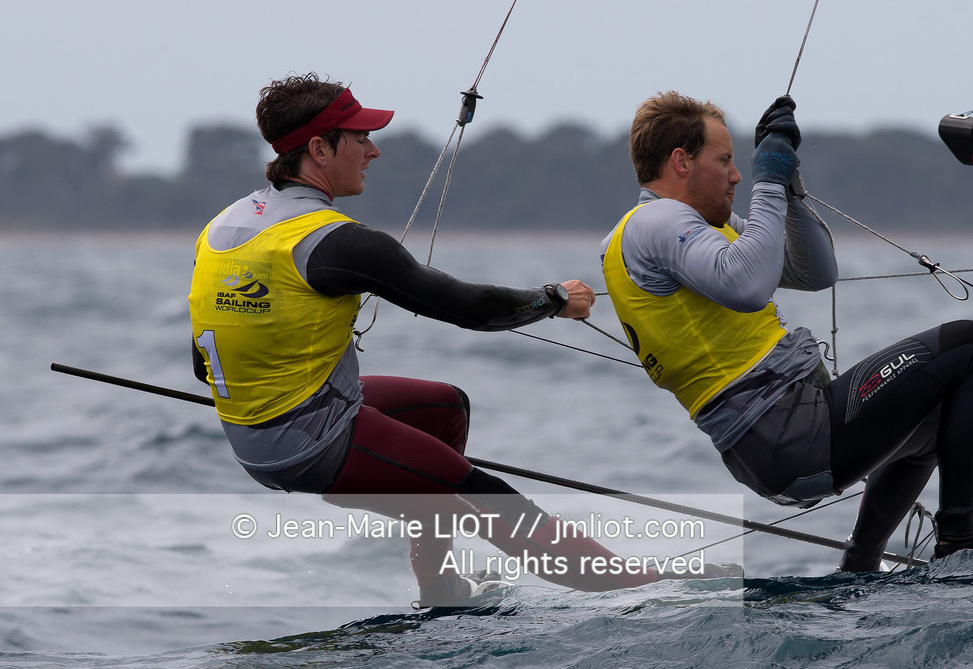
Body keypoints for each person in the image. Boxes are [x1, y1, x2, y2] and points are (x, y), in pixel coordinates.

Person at [189, 73, 673, 605]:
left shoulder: (223, 226)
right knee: (485, 496)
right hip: (309, 445)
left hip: (259, 432)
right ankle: (631, 589)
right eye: (360, 138)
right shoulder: (334, 243)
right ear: (319, 149)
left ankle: (439, 586)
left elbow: (201, 364)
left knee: (446, 408)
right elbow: (469, 309)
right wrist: (552, 299)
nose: (373, 150)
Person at [601, 91, 973, 571]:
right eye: (725, 160)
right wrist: (767, 180)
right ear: (681, 162)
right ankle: (960, 542)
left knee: (937, 421)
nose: (737, 175)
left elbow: (815, 272)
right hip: (785, 431)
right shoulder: (656, 220)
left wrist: (787, 187)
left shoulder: (690, 230)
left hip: (777, 441)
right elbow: (747, 286)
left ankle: (860, 563)